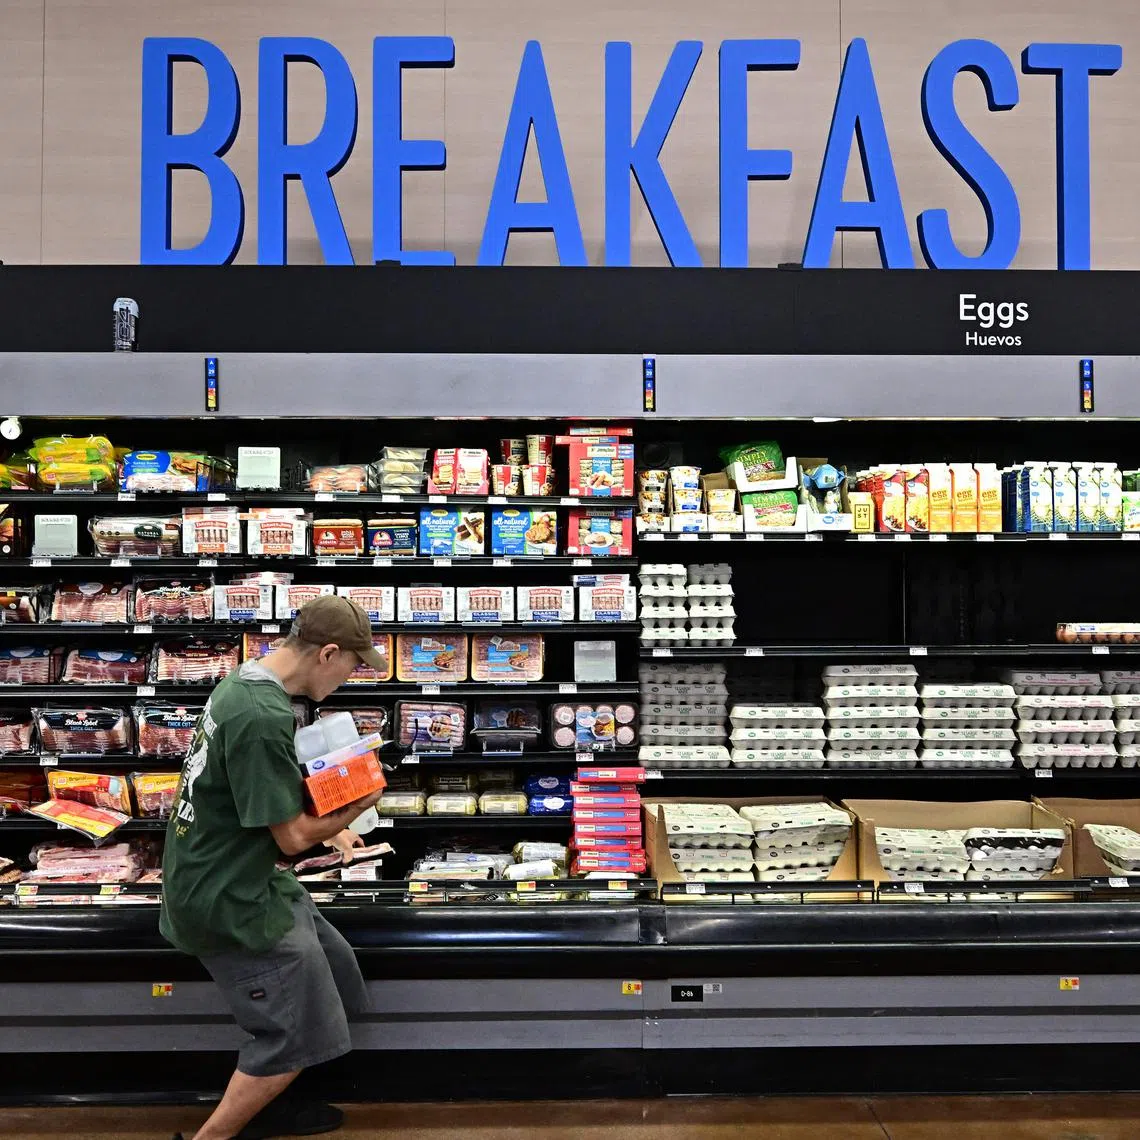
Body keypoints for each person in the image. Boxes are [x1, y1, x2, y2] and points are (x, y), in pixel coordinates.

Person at [162, 595, 387, 1140]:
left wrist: (335, 823)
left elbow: (257, 802)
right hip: (229, 897)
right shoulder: (263, 716)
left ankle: (272, 1102)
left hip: (241, 875)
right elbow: (290, 839)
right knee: (292, 1032)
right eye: (353, 666)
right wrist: (358, 800)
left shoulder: (245, 681)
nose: (352, 677)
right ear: (327, 653)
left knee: (336, 975)